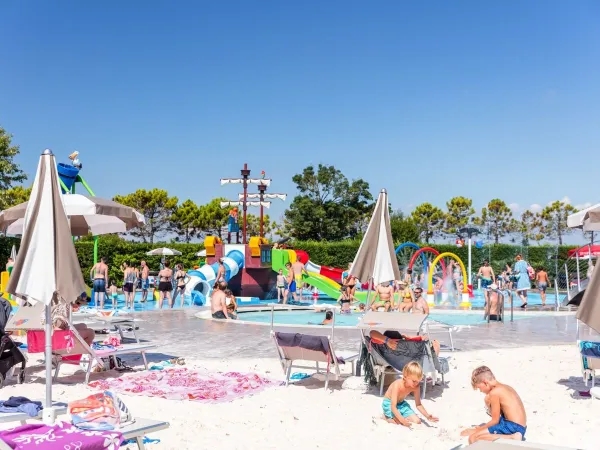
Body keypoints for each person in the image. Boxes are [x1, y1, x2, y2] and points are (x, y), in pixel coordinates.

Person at [461, 366, 527, 443]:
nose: (481, 391)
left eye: (479, 388)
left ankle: (512, 437)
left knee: (473, 438)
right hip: (521, 427)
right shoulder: (506, 387)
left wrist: (477, 430)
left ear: (485, 383)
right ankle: (510, 437)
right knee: (480, 435)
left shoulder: (494, 393)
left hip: (513, 427)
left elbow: (495, 420)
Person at [381, 361, 439, 427]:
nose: (416, 383)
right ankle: (385, 417)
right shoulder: (397, 385)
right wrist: (403, 421)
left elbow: (418, 404)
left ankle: (399, 416)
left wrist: (427, 416)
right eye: (414, 381)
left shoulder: (416, 386)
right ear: (405, 376)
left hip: (401, 403)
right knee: (398, 422)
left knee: (417, 421)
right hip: (389, 403)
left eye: (418, 381)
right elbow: (393, 406)